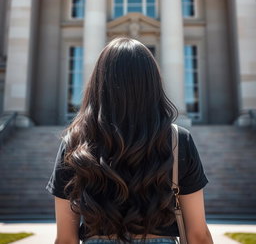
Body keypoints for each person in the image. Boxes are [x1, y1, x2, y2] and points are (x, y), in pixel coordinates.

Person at [46, 37, 213, 244]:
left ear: (99, 83)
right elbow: (198, 234)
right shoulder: (178, 140)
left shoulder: (74, 142)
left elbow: (65, 239)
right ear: (152, 83)